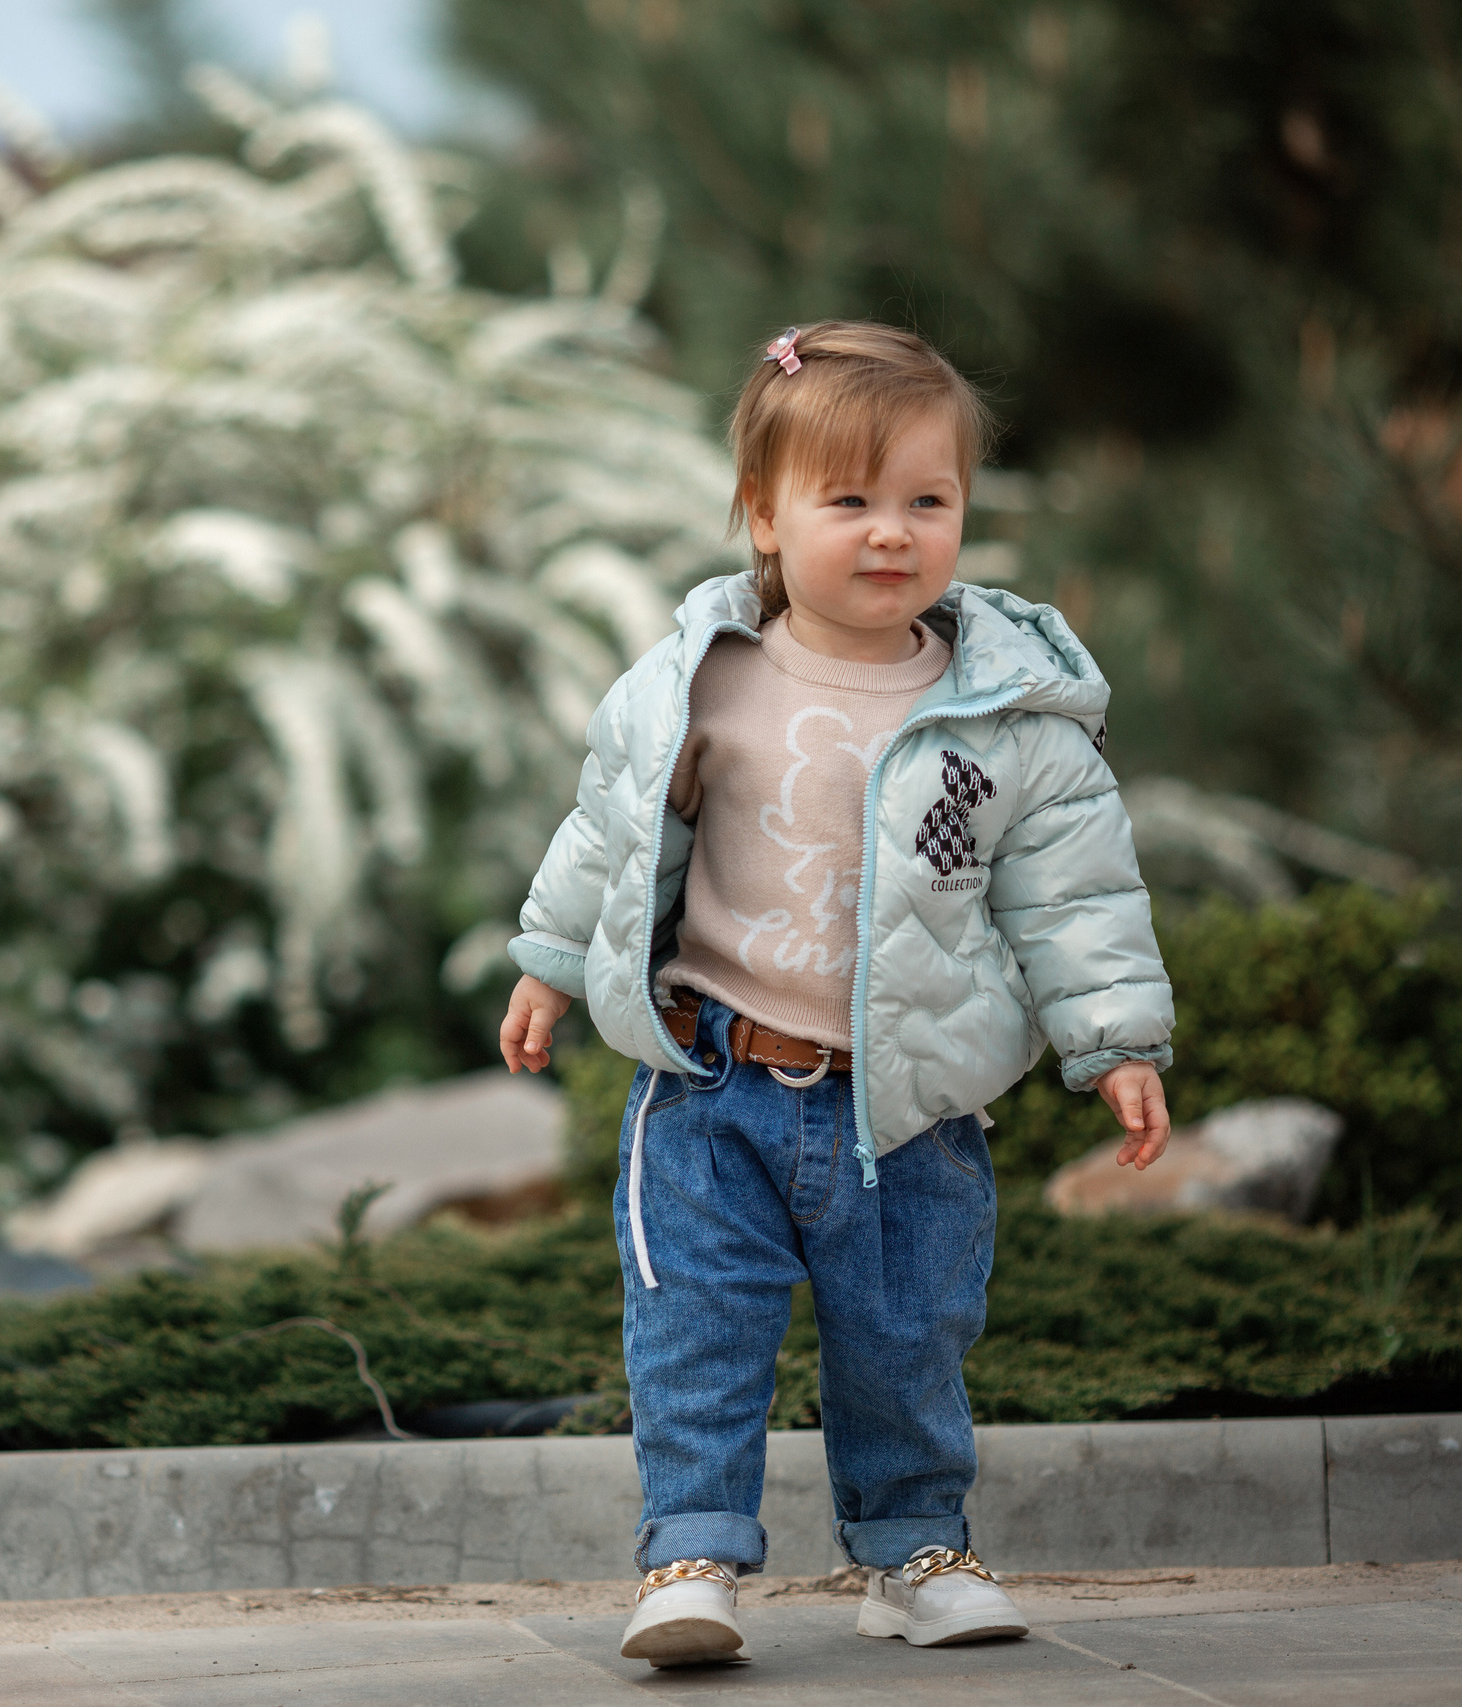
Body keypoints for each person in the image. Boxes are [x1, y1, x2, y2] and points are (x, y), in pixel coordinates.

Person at [498, 320, 1175, 1667]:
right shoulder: (703, 679)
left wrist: (1115, 1040)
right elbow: (610, 826)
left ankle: (915, 1552)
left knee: (908, 1337)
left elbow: (1075, 895)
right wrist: (552, 959)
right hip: (712, 1086)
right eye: (849, 500)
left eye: (928, 501)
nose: (891, 533)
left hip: (908, 1106)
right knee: (698, 1328)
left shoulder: (1009, 716)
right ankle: (690, 1557)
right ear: (764, 513)